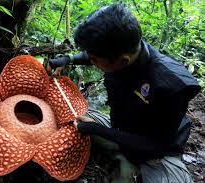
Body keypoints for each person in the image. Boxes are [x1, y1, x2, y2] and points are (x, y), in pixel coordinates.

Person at [48, 4, 201, 183]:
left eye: (95, 59)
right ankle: (120, 159)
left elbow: (156, 146)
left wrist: (99, 130)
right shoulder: (127, 48)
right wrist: (68, 59)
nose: (92, 61)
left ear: (122, 61)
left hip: (155, 156)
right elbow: (96, 56)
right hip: (119, 128)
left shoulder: (171, 84)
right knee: (69, 117)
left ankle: (131, 166)